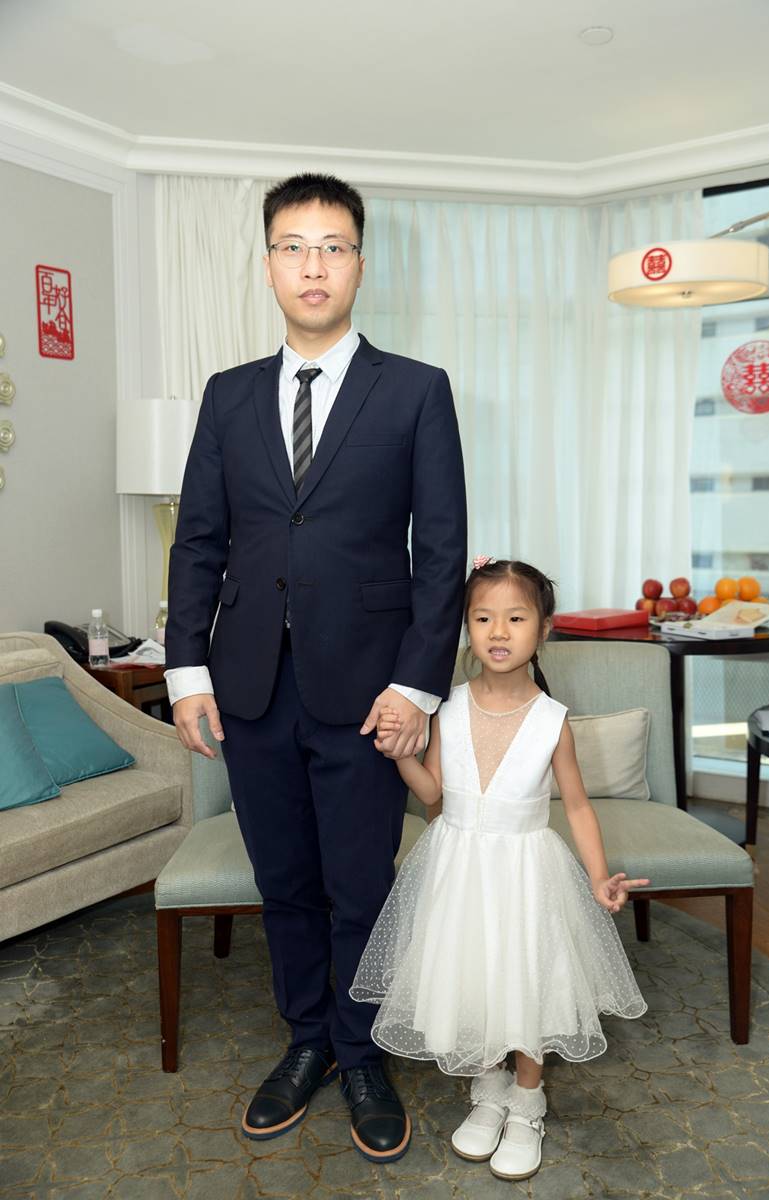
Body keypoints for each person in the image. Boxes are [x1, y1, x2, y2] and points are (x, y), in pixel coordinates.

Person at [165, 173, 467, 1163]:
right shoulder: (227, 395)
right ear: (267, 265)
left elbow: (441, 554)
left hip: (370, 690)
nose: (313, 264)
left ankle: (362, 1050)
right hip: (250, 685)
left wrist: (417, 687)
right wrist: (186, 673)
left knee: (360, 884)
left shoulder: (416, 390)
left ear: (359, 265)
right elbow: (198, 543)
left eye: (333, 246)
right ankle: (307, 1042)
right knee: (285, 880)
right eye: (293, 246)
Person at [351, 556, 649, 1181]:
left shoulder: (552, 721)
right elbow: (432, 794)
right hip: (458, 869)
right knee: (475, 976)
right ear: (466, 627)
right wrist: (400, 754)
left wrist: (599, 876)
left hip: (525, 874)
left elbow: (578, 806)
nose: (498, 631)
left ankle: (528, 1101)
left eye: (516, 618)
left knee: (527, 981)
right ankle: (488, 1090)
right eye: (483, 618)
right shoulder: (447, 708)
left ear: (544, 629)